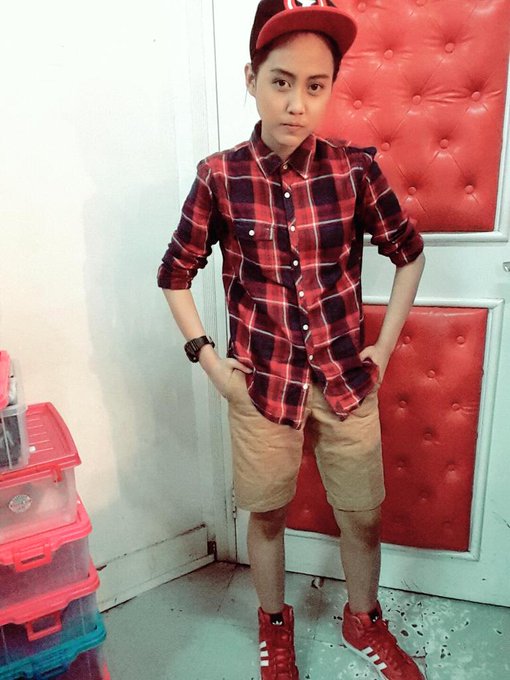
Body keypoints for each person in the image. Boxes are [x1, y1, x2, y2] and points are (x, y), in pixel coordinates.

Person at [157, 1, 426, 678]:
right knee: (268, 515)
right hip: (260, 386)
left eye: (315, 85)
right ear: (252, 78)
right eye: (281, 81)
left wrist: (384, 348)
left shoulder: (354, 171)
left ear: (331, 89)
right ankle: (274, 625)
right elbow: (174, 274)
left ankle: (363, 620)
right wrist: (210, 362)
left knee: (362, 515)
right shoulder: (220, 177)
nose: (297, 103)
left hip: (346, 382)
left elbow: (409, 254)